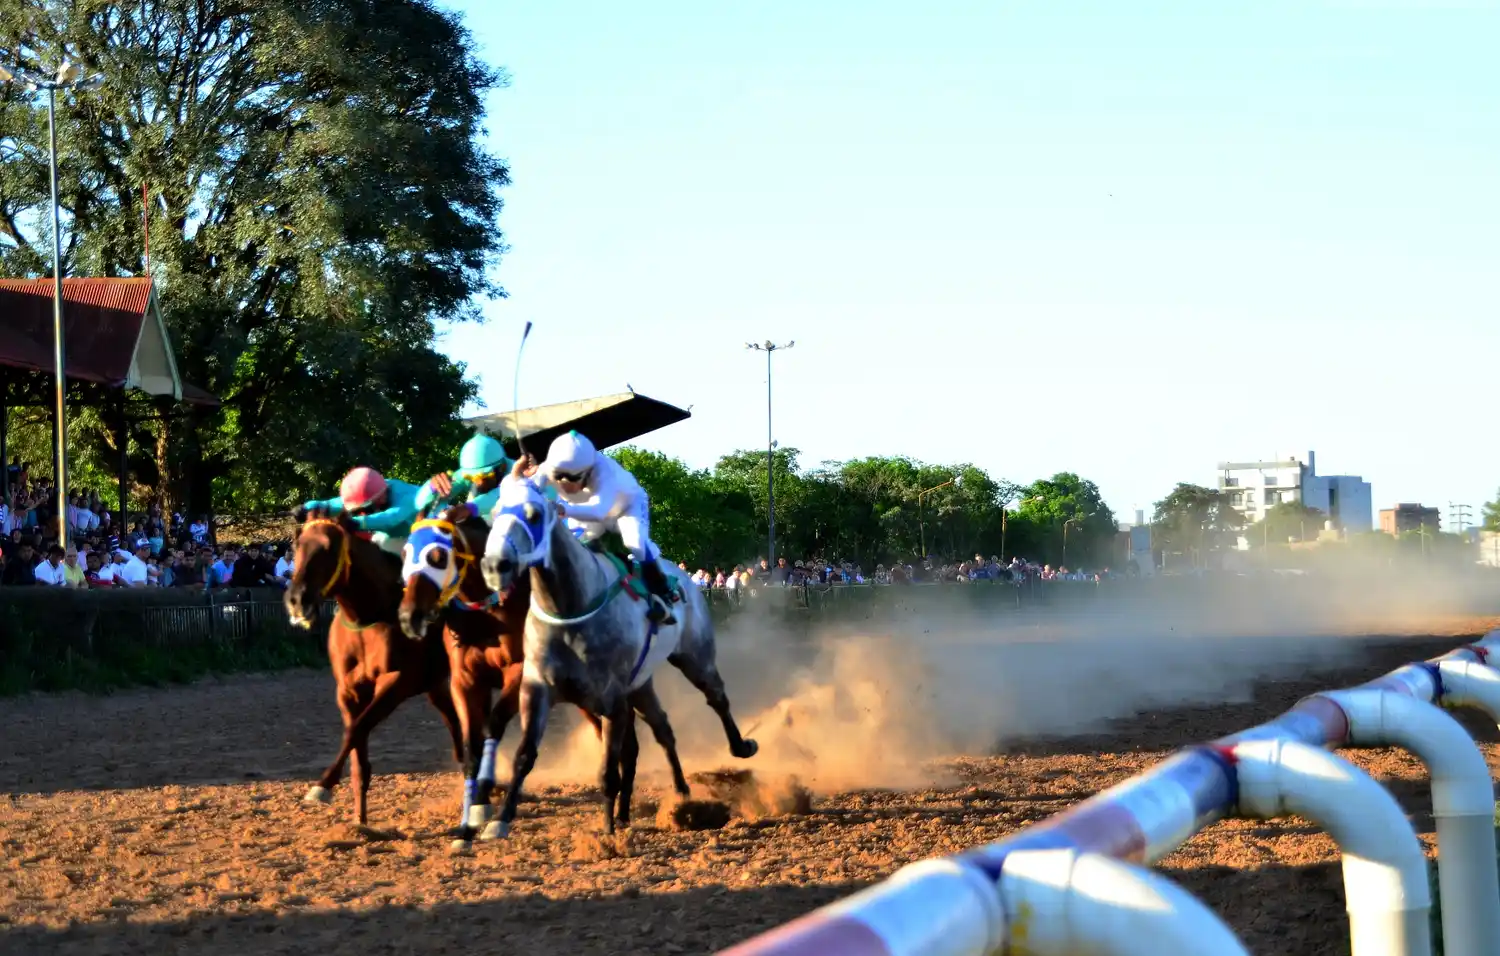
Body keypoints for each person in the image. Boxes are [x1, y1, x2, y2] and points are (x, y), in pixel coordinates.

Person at [526, 430, 679, 625]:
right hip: (585, 509)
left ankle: (662, 590)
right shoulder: (549, 467)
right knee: (573, 547)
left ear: (587, 471)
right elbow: (526, 490)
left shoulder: (604, 471)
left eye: (571, 478)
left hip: (626, 507)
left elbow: (599, 511)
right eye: (558, 476)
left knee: (635, 541)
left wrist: (563, 509)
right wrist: (522, 477)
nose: (563, 484)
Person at [298, 467, 422, 555]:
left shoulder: (407, 497)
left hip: (421, 536)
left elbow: (390, 518)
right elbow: (335, 504)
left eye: (365, 508)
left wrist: (357, 522)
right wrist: (308, 507)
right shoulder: (376, 490)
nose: (362, 512)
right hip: (394, 536)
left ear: (380, 498)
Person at [417, 432, 511, 518]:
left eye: (483, 476)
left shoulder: (517, 474)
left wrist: (468, 509)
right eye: (471, 477)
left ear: (502, 467)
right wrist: (431, 488)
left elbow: (503, 495)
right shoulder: (467, 473)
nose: (478, 482)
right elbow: (419, 502)